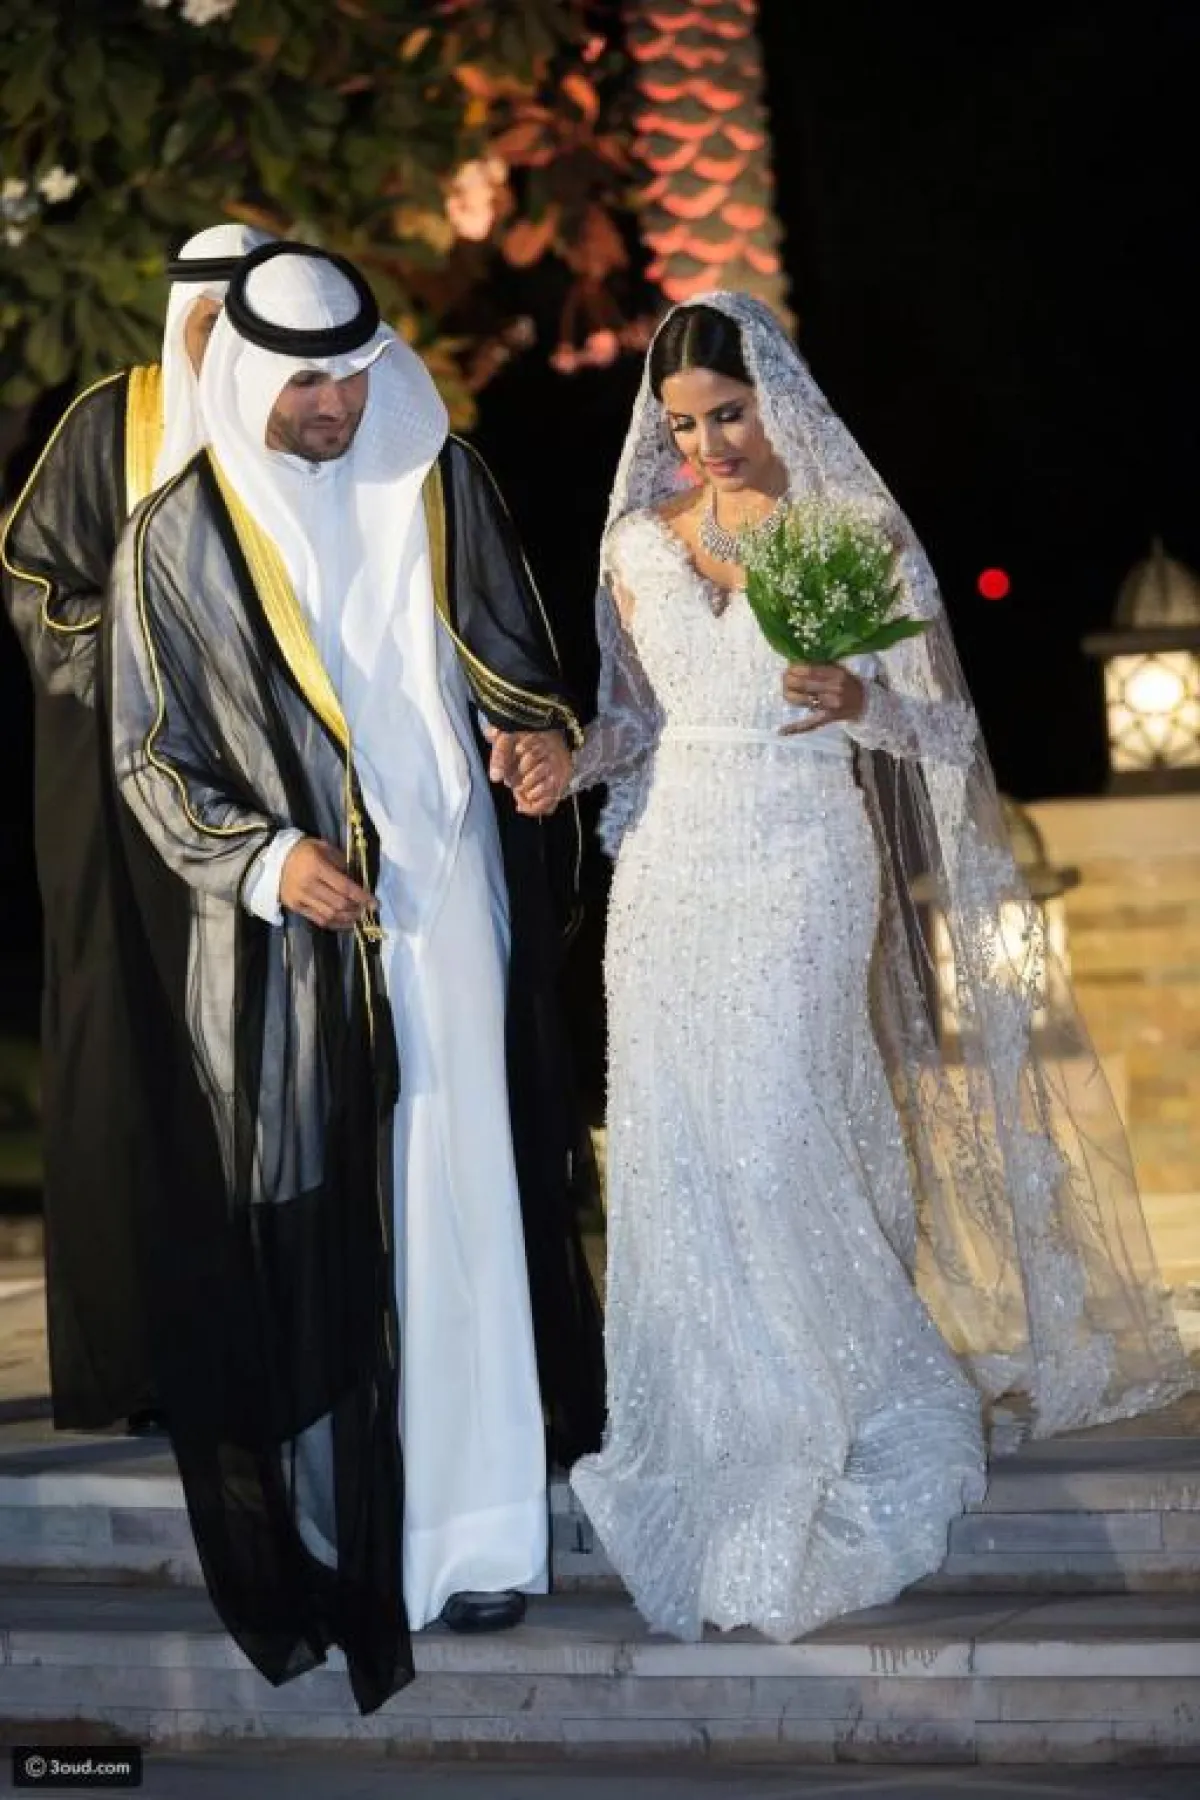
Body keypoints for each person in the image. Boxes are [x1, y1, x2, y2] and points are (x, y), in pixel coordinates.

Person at [501, 292, 1195, 1645]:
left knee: (776, 1133)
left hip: (802, 859)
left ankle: (833, 1391)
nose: (708, 445)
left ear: (776, 400)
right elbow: (637, 724)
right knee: (680, 1144)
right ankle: (716, 1404)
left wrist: (862, 700)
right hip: (671, 875)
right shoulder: (639, 544)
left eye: (729, 415)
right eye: (683, 425)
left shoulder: (847, 535)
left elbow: (944, 736)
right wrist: (563, 762)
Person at [106, 241, 604, 1713]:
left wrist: (539, 743)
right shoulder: (177, 533)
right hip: (300, 942)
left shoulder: (439, 482)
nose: (334, 409)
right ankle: (349, 1542)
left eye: (352, 379)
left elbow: (513, 662)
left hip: (450, 909)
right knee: (333, 1226)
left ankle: (484, 1538)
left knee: (468, 1214)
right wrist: (266, 860)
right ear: (249, 376)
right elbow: (148, 751)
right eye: (306, 386)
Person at [0, 222, 271, 1432]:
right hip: (120, 800)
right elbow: (34, 575)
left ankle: (277, 1342)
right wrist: (148, 645)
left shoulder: (304, 430)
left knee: (264, 1062)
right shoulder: (114, 419)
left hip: (270, 809)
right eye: (212, 320)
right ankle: (139, 1360)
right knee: (131, 1049)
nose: (229, 343)